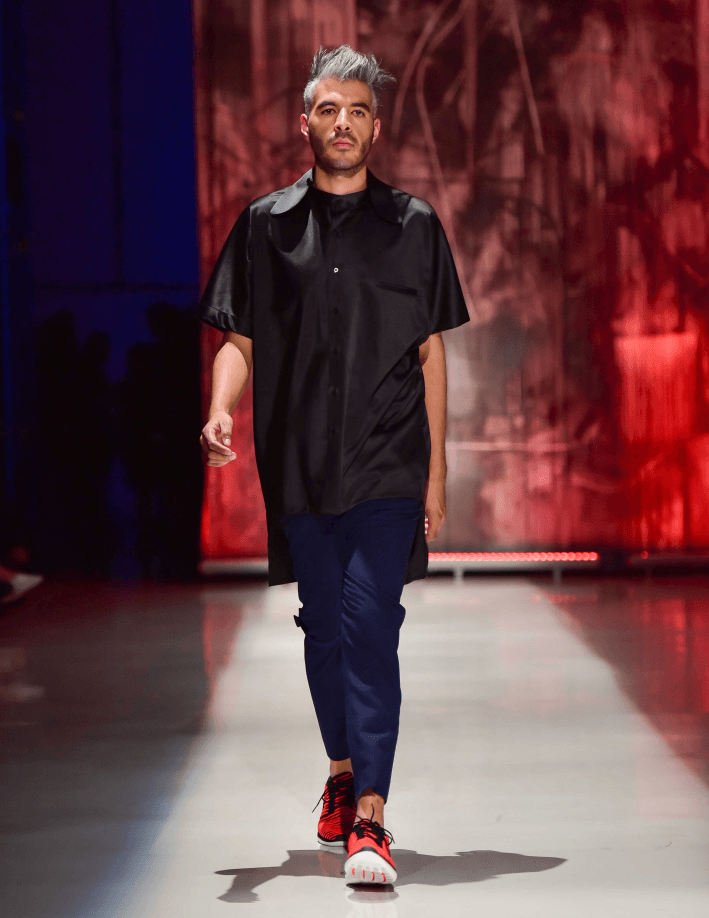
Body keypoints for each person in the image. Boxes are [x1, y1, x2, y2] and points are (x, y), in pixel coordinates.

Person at [199, 45, 469, 885]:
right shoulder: (265, 224)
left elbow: (429, 353)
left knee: (369, 623)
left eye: (357, 111)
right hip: (301, 462)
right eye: (328, 110)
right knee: (323, 627)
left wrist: (436, 475)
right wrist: (220, 406)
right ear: (305, 123)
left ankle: (371, 818)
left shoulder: (414, 225)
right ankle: (342, 772)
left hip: (389, 461)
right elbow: (238, 338)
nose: (342, 123)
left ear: (376, 128)